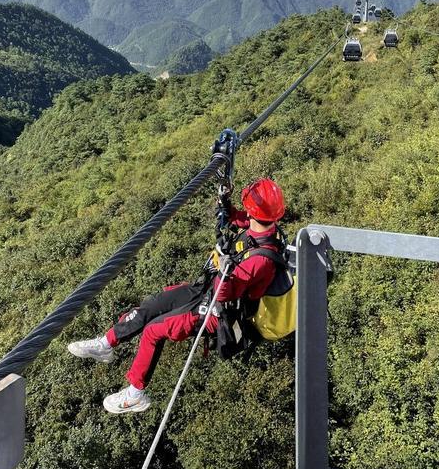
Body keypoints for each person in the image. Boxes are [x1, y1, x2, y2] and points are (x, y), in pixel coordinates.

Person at [67, 177, 286, 414]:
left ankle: (135, 394)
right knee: (152, 305)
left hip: (218, 309)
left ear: (255, 210)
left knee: (154, 330)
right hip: (206, 288)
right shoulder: (264, 227)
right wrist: (224, 202)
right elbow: (237, 218)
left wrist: (225, 268)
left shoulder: (261, 259)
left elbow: (224, 297)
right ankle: (106, 343)